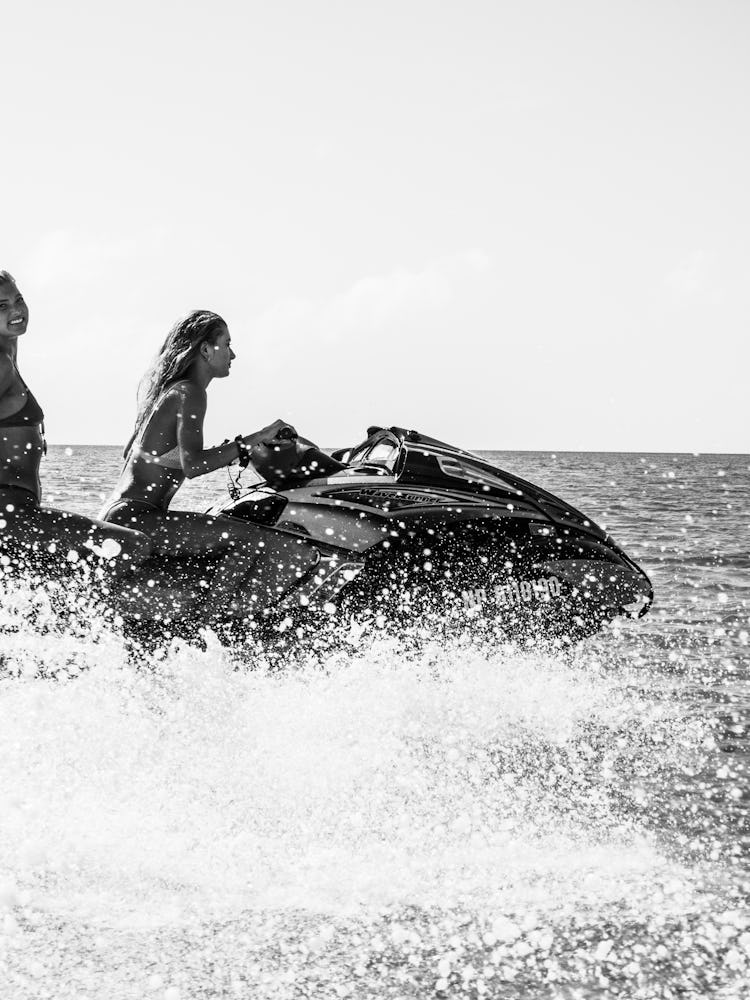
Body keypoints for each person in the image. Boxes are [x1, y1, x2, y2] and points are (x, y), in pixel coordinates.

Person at [100, 309, 312, 621]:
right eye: (227, 344)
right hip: (137, 518)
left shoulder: (173, 392)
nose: (233, 354)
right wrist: (258, 437)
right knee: (247, 539)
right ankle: (208, 626)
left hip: (126, 515)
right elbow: (193, 465)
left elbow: (180, 457)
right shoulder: (191, 392)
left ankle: (205, 620)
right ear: (205, 349)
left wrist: (235, 448)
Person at [0, 270, 152, 579]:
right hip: (9, 512)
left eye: (19, 299)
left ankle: (61, 618)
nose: (16, 310)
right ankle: (82, 622)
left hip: (17, 512)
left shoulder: (8, 356)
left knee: (58, 576)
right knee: (129, 545)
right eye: (1, 305)